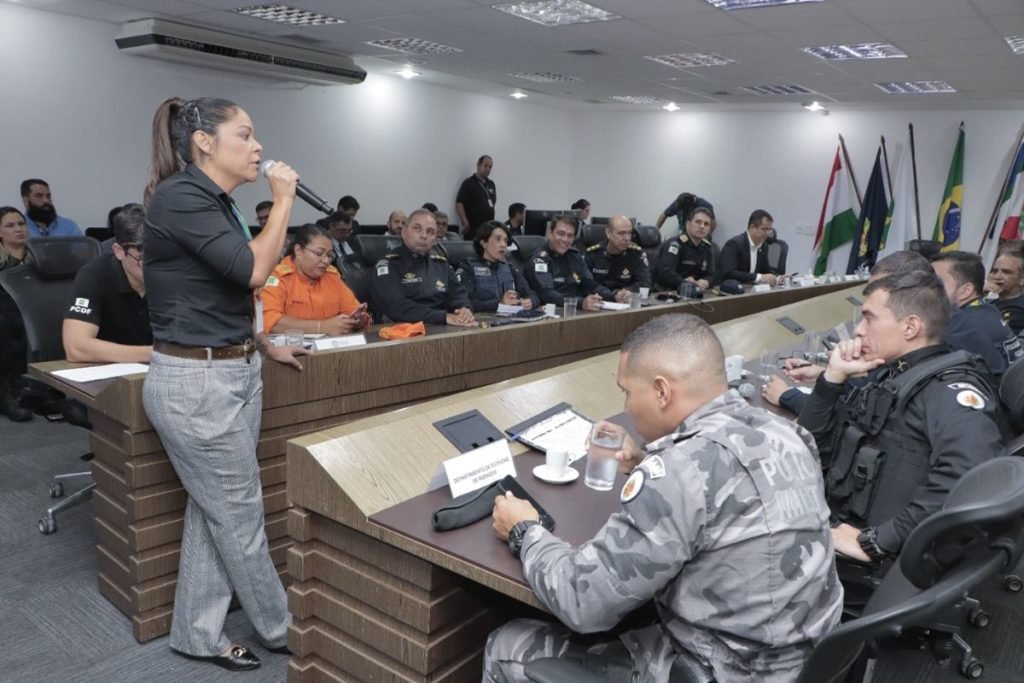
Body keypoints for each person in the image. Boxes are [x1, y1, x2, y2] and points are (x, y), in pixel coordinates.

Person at [484, 314, 842, 683]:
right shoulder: (788, 433)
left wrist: (524, 531)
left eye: (627, 392)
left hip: (729, 671)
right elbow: (722, 493)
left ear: (661, 391)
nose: (626, 407)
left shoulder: (679, 472)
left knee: (508, 644)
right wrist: (645, 461)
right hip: (809, 663)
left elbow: (582, 602)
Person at [142, 96, 310, 672]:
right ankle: (283, 629)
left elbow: (228, 293)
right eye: (245, 134)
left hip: (234, 369)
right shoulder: (180, 197)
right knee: (240, 518)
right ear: (204, 142)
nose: (258, 147)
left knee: (215, 511)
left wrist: (262, 343)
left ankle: (196, 633)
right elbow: (255, 270)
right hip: (197, 383)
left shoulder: (217, 202)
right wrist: (282, 202)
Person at [798, 270, 1004, 565]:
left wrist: (878, 541)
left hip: (881, 559)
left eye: (869, 318)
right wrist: (832, 379)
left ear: (910, 327)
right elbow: (809, 448)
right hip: (842, 522)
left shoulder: (949, 390)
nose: (858, 331)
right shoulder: (893, 375)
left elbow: (975, 478)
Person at [763, 250, 933, 412]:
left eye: (876, 290)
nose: (858, 331)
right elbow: (867, 383)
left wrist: (788, 396)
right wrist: (825, 374)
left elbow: (851, 412)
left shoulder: (920, 374)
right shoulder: (905, 352)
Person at [62, 203, 152, 363]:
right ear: (119, 251)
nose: (155, 267)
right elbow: (76, 347)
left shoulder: (175, 273)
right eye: (143, 259)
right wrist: (156, 354)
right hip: (104, 370)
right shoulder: (94, 275)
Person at [369, 208, 475, 326]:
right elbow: (397, 307)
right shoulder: (389, 264)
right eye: (417, 228)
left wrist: (464, 308)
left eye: (430, 232)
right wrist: (443, 317)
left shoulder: (441, 264)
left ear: (435, 239)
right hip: (402, 329)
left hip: (442, 326)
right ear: (404, 232)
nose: (424, 236)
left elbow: (458, 293)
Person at [261, 224, 369, 336]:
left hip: (332, 345)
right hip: (291, 346)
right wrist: (322, 327)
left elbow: (353, 310)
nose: (326, 261)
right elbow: (270, 322)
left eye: (329, 255)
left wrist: (358, 320)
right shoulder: (278, 277)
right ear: (298, 250)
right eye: (319, 253)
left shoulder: (331, 277)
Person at [932, 251, 1022, 378]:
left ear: (966, 291)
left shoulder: (962, 326)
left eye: (936, 283)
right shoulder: (985, 309)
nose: (926, 288)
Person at [524, 214, 620, 310]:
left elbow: (590, 285)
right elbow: (547, 294)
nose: (565, 239)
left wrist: (614, 296)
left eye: (570, 236)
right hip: (552, 311)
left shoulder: (574, 256)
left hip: (576, 310)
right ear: (550, 233)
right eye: (560, 234)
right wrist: (581, 303)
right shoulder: (539, 260)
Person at [456, 222, 539, 312]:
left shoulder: (509, 268)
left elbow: (532, 294)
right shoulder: (468, 267)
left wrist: (530, 301)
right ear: (483, 243)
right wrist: (498, 304)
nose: (503, 245)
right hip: (482, 319)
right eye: (498, 239)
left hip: (510, 318)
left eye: (505, 241)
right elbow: (463, 303)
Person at [0, 206, 33, 421]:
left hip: (33, 309)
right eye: (10, 225)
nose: (18, 229)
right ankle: (6, 392)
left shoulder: (39, 256)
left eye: (21, 224)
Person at [584, 214, 651, 294]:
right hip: (599, 298)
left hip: (627, 299)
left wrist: (625, 292)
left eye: (629, 233)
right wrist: (612, 295)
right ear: (608, 233)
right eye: (621, 233)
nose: (627, 238)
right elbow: (586, 284)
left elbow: (645, 284)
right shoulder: (593, 254)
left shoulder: (636, 254)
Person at [654, 206, 715, 291]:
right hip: (670, 291)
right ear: (688, 224)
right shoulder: (675, 244)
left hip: (696, 292)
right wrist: (684, 283)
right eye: (698, 222)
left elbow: (712, 274)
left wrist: (707, 282)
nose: (702, 226)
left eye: (706, 224)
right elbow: (666, 272)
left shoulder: (707, 247)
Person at [719, 209, 778, 285]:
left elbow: (765, 270)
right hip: (732, 289)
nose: (767, 233)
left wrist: (777, 277)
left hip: (751, 289)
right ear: (752, 227)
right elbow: (729, 273)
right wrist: (758, 277)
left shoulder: (763, 246)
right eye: (764, 229)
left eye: (769, 229)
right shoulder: (734, 244)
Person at [986, 245, 1024, 334]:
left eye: (1006, 272)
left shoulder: (1021, 308)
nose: (998, 277)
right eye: (994, 271)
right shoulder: (987, 302)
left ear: (1022, 279)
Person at [456, 154, 496, 238]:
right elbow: (459, 203)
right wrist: (465, 222)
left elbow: (492, 203)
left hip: (488, 228)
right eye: (485, 165)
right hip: (473, 229)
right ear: (478, 165)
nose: (488, 169)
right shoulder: (468, 183)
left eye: (490, 167)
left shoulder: (491, 184)